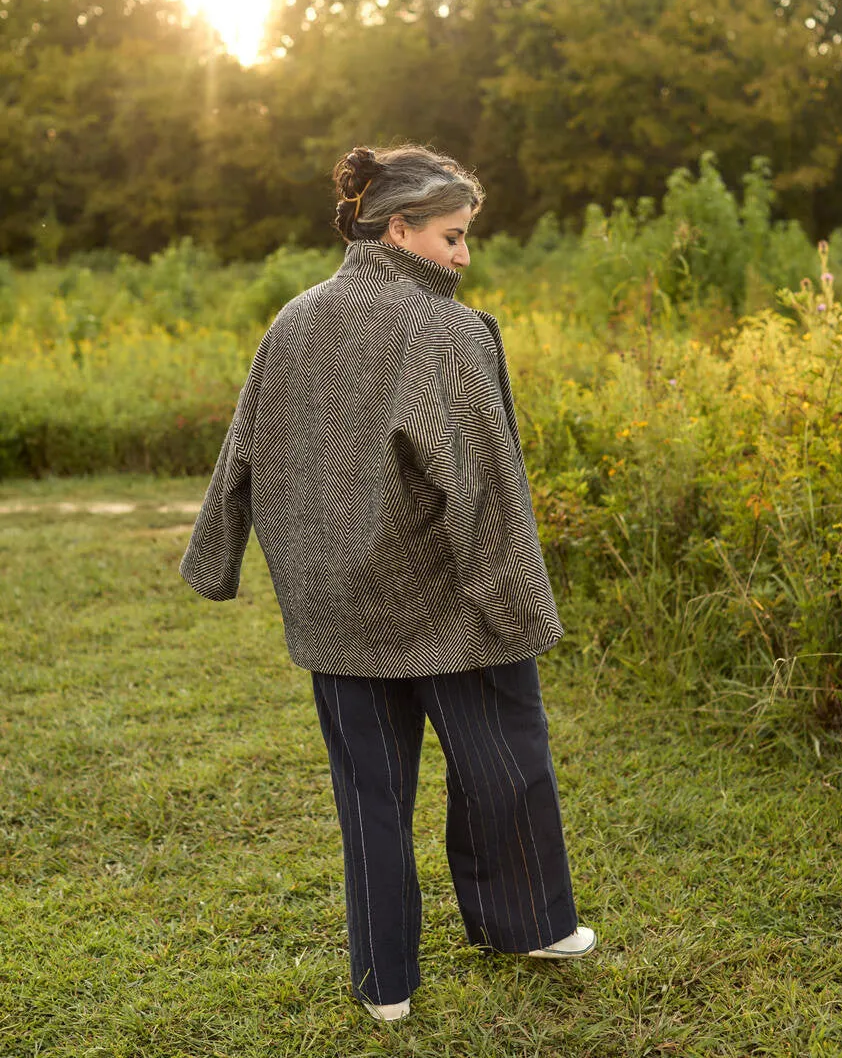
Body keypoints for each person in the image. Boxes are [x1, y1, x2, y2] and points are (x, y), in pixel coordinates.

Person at [179, 143, 596, 1023]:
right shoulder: (442, 330)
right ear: (397, 228)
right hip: (447, 600)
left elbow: (238, 455)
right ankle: (527, 922)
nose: (463, 257)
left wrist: (212, 561)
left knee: (368, 794)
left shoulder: (291, 318)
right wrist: (517, 610)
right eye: (451, 237)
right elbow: (481, 491)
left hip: (332, 608)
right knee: (506, 760)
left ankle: (384, 985)